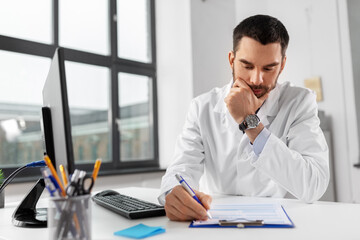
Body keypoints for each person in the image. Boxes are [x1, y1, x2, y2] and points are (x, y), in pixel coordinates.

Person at [158, 14, 329, 221]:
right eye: (247, 66)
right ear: (232, 60)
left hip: (270, 221)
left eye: (269, 68)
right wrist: (173, 193)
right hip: (212, 218)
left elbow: (314, 185)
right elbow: (181, 169)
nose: (257, 79)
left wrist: (250, 122)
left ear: (282, 65)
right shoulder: (201, 107)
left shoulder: (299, 102)